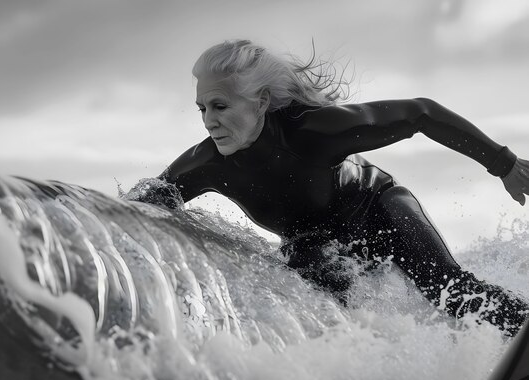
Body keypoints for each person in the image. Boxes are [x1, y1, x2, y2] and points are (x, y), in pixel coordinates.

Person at [128, 39, 529, 336]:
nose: (208, 121)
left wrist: (503, 163)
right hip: (317, 245)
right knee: (325, 320)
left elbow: (420, 113)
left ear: (262, 101)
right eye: (202, 108)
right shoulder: (205, 164)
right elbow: (136, 210)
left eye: (220, 106)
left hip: (379, 211)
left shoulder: (315, 132)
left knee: (451, 293)